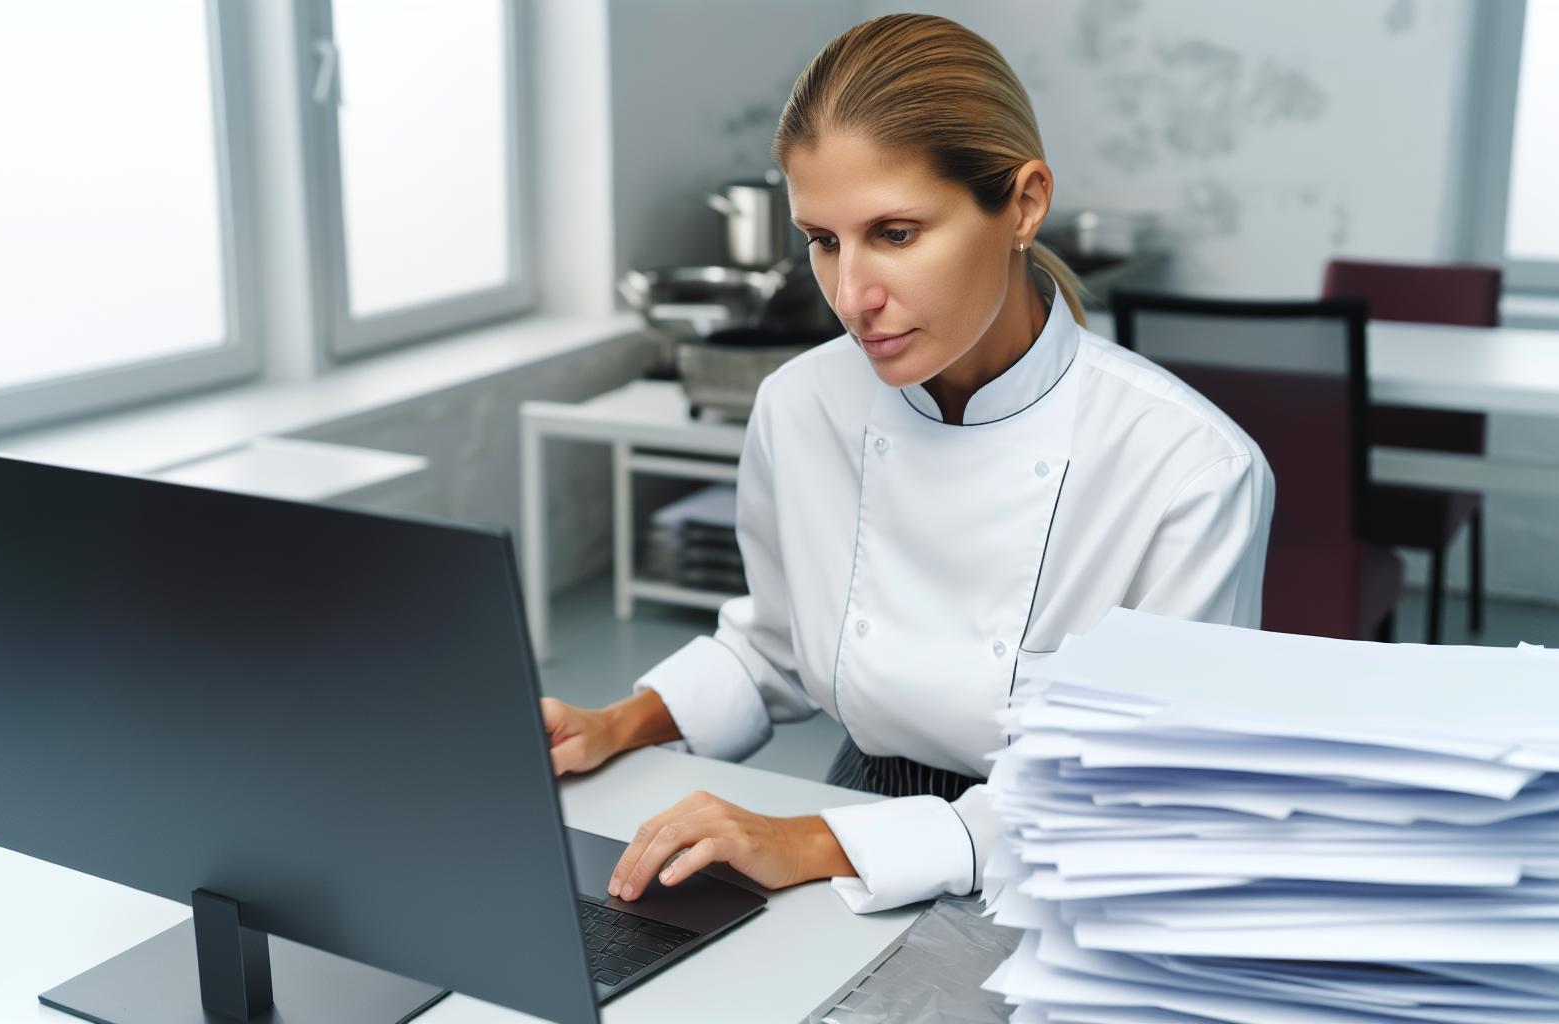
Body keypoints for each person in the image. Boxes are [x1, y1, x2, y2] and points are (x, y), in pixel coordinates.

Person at [540, 13, 1275, 914]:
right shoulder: (800, 405)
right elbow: (778, 645)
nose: (852, 296)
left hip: (1063, 868)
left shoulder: (1190, 466)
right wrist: (617, 725)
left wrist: (811, 840)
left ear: (1024, 204)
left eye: (894, 232)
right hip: (856, 820)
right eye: (822, 239)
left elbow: (1144, 800)